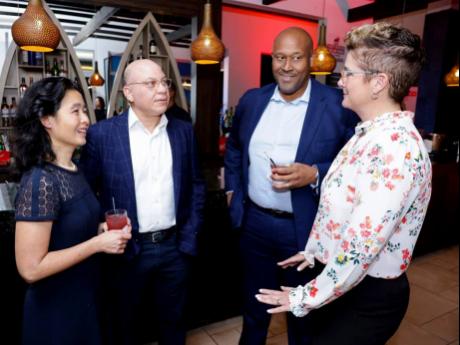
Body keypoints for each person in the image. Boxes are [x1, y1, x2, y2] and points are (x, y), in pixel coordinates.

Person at [256, 22, 432, 345]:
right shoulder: (368, 134)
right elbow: (342, 207)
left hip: (367, 298)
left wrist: (301, 297)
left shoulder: (396, 149)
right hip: (343, 284)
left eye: (349, 73)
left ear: (378, 83)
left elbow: (361, 249)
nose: (341, 80)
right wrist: (315, 250)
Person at [224, 27, 358, 345]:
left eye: (296, 58)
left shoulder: (337, 105)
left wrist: (314, 174)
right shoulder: (252, 101)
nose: (287, 66)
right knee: (254, 309)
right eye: (280, 57)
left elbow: (355, 162)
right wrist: (232, 192)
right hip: (254, 224)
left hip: (305, 230)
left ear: (311, 60)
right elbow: (234, 149)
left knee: (302, 314)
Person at [79, 59, 206, 345]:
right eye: (151, 83)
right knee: (125, 328)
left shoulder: (183, 131)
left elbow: (196, 184)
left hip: (175, 248)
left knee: (173, 327)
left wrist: (190, 234)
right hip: (127, 249)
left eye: (164, 82)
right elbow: (87, 190)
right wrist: (102, 226)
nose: (162, 89)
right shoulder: (103, 135)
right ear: (129, 93)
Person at [12, 77, 132, 345]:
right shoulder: (40, 180)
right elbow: (31, 268)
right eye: (75, 111)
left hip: (84, 300)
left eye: (85, 110)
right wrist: (98, 243)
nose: (86, 119)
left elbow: (70, 230)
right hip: (56, 313)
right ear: (47, 119)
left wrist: (102, 231)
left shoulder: (74, 170)